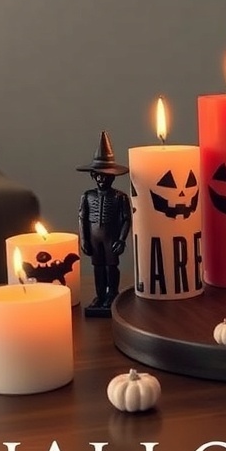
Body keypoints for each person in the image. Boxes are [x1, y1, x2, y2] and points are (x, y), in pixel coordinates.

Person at [76, 131, 131, 314]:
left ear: (112, 176)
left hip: (111, 237)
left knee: (111, 267)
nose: (101, 179)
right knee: (98, 268)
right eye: (98, 175)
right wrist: (83, 240)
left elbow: (126, 219)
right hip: (94, 238)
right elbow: (83, 218)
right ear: (93, 176)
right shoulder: (87, 196)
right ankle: (100, 295)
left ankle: (112, 294)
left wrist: (122, 239)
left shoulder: (119, 197)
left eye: (105, 176)